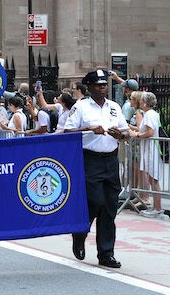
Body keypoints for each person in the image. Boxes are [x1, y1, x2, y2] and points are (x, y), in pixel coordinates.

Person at [64, 69, 129, 269]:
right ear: (90, 87)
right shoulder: (81, 107)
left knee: (109, 207)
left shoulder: (114, 107)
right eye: (98, 85)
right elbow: (67, 131)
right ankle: (80, 233)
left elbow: (126, 132)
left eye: (104, 84)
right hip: (89, 159)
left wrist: (120, 134)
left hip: (110, 159)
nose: (103, 87)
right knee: (95, 201)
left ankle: (106, 253)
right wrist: (88, 129)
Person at [129, 92, 168, 220]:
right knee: (152, 179)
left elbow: (150, 132)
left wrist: (137, 135)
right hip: (149, 149)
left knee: (154, 179)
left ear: (145, 102)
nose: (140, 103)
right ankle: (156, 207)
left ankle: (157, 208)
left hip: (151, 149)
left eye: (141, 101)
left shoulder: (150, 114)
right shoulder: (151, 114)